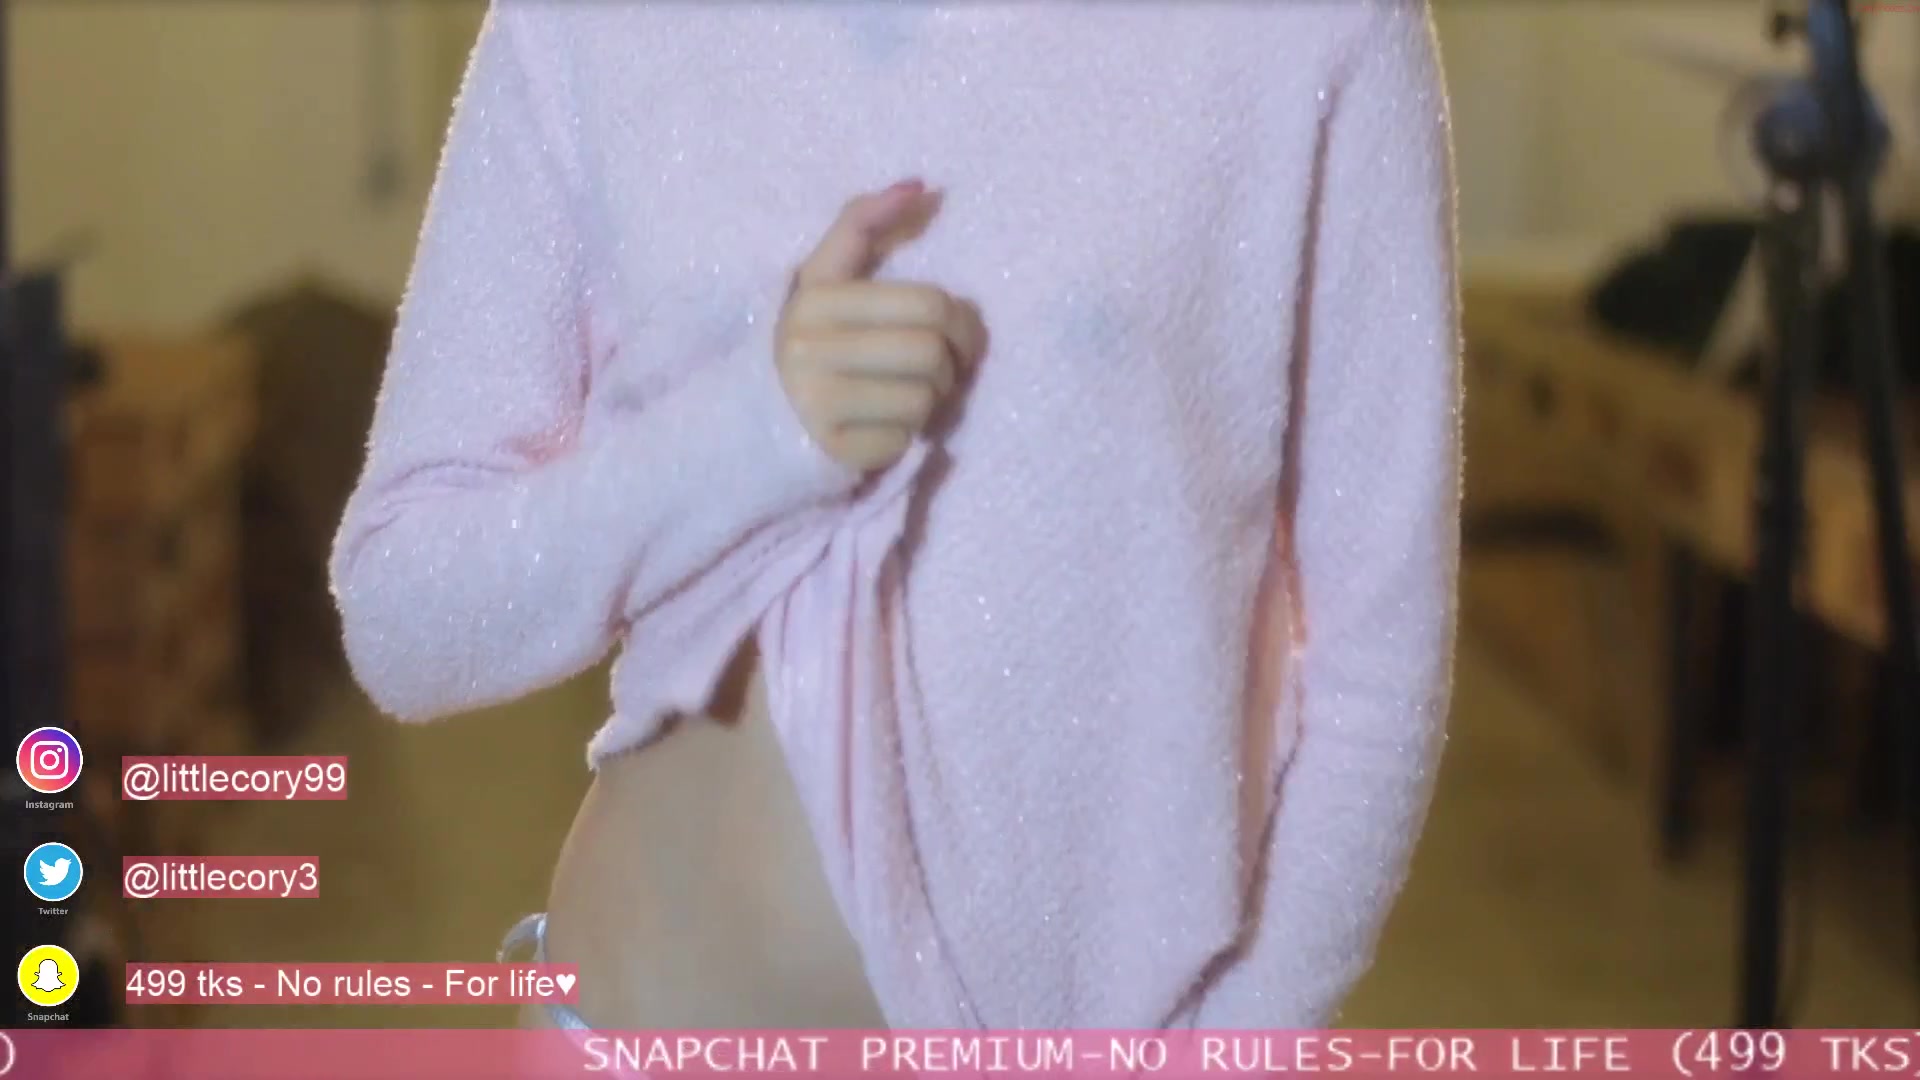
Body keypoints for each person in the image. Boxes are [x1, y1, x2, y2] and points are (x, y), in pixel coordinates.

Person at [331, 0, 1461, 1032]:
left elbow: (1376, 660)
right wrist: (752, 435)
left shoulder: (1313, 30)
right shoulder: (586, 25)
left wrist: (1237, 1047)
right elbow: (404, 614)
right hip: (636, 1025)